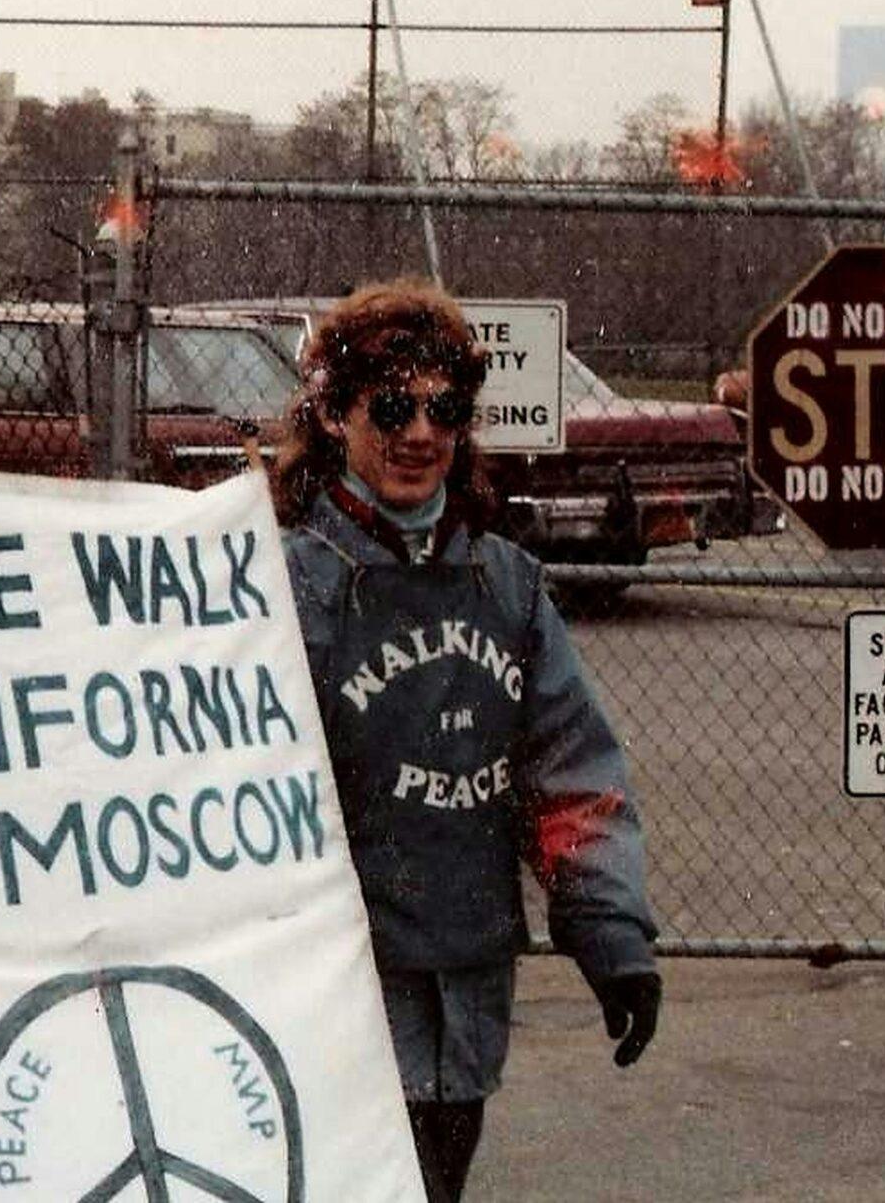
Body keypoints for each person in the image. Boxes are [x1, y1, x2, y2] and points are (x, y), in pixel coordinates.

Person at [273, 279, 661, 1203]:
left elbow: (571, 777)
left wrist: (612, 933)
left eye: (444, 407)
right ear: (334, 411)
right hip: (339, 981)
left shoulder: (508, 585)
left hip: (466, 981)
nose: (420, 432)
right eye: (392, 405)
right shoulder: (282, 580)